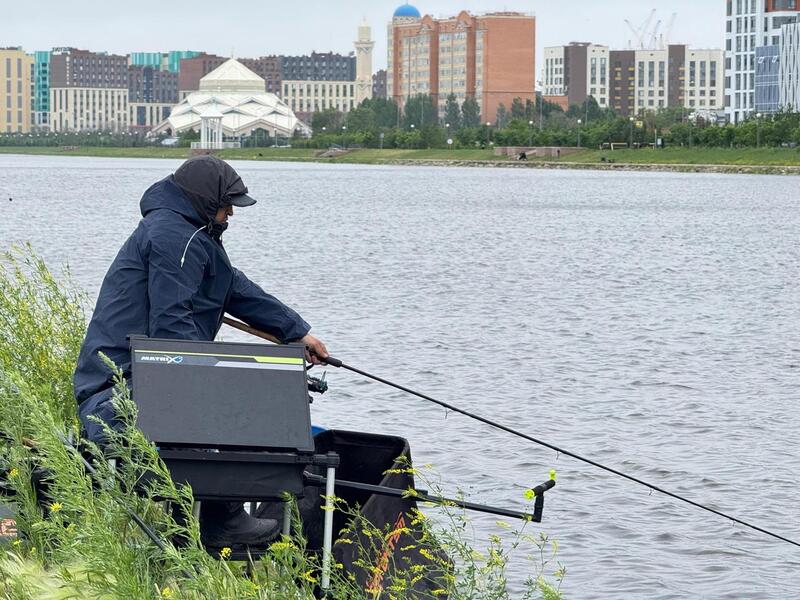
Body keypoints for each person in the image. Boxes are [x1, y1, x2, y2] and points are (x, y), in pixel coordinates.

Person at [73, 155, 328, 548]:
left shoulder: (191, 235)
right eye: (227, 206)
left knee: (216, 394)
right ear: (206, 201)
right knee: (216, 398)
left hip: (141, 383)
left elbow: (233, 288)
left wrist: (296, 332)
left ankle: (204, 523)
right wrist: (216, 383)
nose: (230, 215)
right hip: (115, 393)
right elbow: (171, 331)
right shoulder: (175, 237)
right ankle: (220, 521)